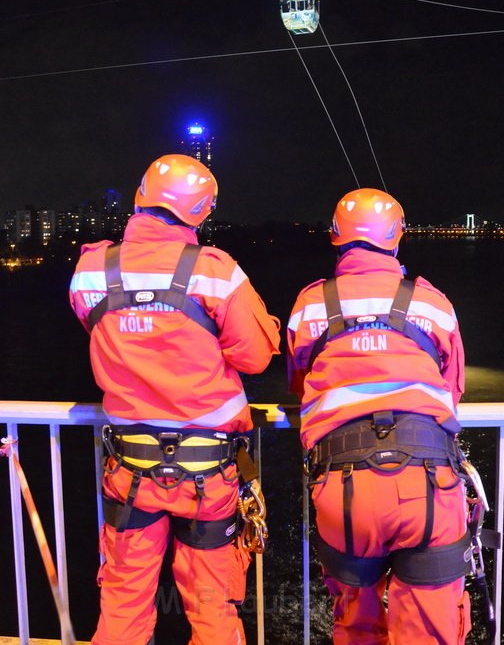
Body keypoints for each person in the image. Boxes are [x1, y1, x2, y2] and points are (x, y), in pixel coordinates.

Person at [69, 153, 280, 645]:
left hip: (130, 470)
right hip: (209, 474)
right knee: (210, 610)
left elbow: (94, 323)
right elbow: (254, 357)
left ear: (139, 197)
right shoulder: (215, 272)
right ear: (202, 213)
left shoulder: (92, 268)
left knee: (122, 604)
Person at [286, 187, 472, 644]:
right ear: (397, 236)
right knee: (430, 629)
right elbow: (453, 389)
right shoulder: (432, 303)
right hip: (428, 483)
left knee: (356, 627)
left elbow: (300, 384)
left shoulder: (311, 305)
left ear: (335, 237)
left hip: (343, 486)